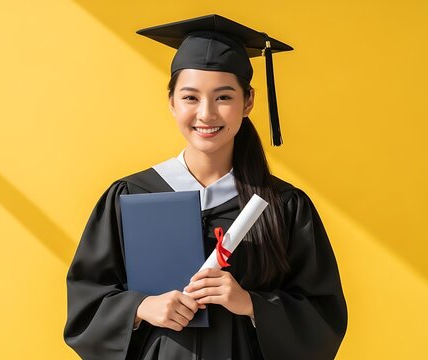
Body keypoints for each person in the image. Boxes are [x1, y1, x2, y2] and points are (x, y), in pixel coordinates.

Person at [63, 14, 348, 360]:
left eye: (224, 97)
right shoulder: (132, 196)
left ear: (248, 102)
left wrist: (250, 304)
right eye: (190, 97)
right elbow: (87, 304)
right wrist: (140, 308)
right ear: (171, 102)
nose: (206, 113)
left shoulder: (283, 206)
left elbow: (323, 317)